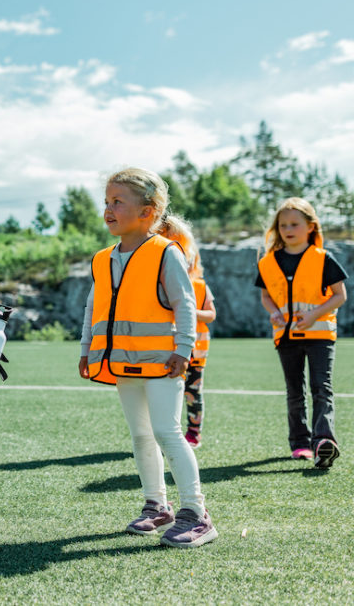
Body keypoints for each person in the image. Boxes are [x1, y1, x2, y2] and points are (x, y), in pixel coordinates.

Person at [78, 168, 217, 548]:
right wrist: (86, 348)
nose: (108, 209)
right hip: (123, 363)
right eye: (106, 201)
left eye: (117, 201)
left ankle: (197, 514)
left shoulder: (165, 253)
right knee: (141, 436)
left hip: (162, 361)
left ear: (148, 210)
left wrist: (183, 350)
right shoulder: (102, 259)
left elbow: (184, 305)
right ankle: (157, 505)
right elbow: (93, 308)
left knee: (167, 432)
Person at [255, 197, 347, 468]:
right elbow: (265, 296)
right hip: (286, 337)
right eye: (283, 225)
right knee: (294, 392)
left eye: (294, 224)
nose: (288, 229)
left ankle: (323, 441)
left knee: (322, 388)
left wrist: (313, 315)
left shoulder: (323, 259)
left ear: (310, 227)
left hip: (320, 335)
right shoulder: (268, 262)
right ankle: (299, 443)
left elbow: (340, 295)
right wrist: (272, 311)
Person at [158, 216, 216, 448]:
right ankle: (166, 432)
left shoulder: (200, 285)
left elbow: (211, 314)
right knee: (166, 394)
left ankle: (193, 432)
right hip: (165, 349)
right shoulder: (159, 284)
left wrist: (189, 311)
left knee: (193, 393)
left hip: (196, 352)